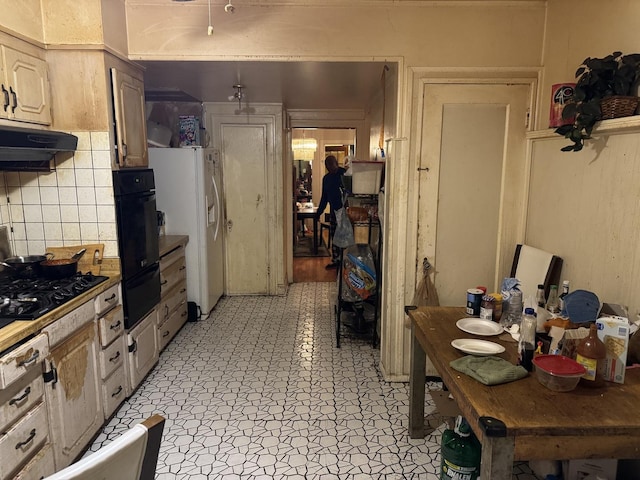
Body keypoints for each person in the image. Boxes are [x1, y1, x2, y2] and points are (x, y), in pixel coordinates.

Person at [316, 155, 349, 269]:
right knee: (334, 236)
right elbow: (324, 197)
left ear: (336, 163)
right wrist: (319, 212)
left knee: (344, 237)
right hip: (334, 211)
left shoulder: (344, 174)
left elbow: (350, 192)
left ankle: (346, 261)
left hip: (345, 211)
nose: (329, 167)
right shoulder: (326, 179)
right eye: (327, 165)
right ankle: (336, 260)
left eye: (331, 164)